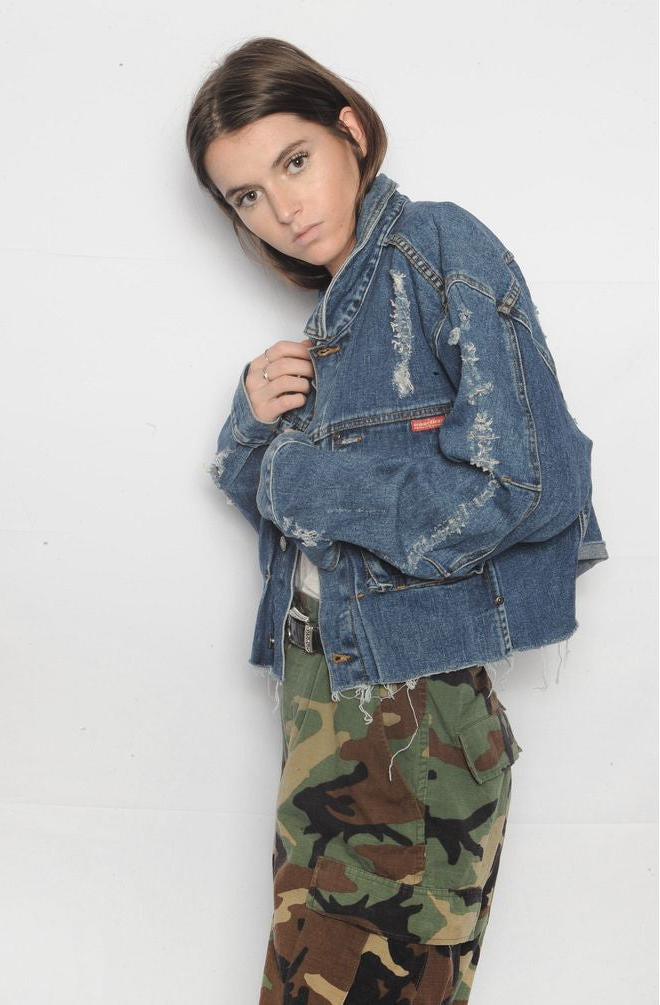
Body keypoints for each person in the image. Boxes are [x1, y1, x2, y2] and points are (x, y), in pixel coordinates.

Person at [185, 36, 608, 1004]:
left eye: (294, 161)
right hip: (327, 699)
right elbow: (289, 516)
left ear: (351, 130)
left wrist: (309, 481)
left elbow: (523, 483)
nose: (284, 209)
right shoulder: (337, 318)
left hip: (407, 717)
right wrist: (251, 425)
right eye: (247, 196)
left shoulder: (438, 250)